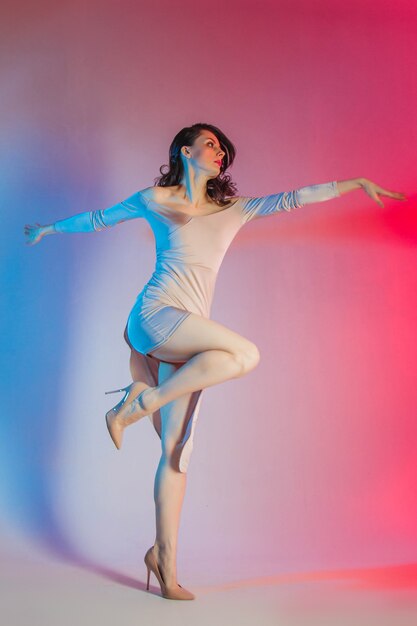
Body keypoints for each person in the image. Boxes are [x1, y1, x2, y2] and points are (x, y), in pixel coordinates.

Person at [24, 122, 407, 600]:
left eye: (223, 147)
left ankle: (163, 559)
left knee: (176, 452)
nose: (219, 150)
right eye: (209, 143)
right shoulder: (156, 200)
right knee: (244, 353)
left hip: (188, 335)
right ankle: (136, 406)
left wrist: (353, 184)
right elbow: (100, 218)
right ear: (186, 151)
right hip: (155, 316)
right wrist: (48, 228)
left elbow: (292, 198)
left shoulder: (233, 210)